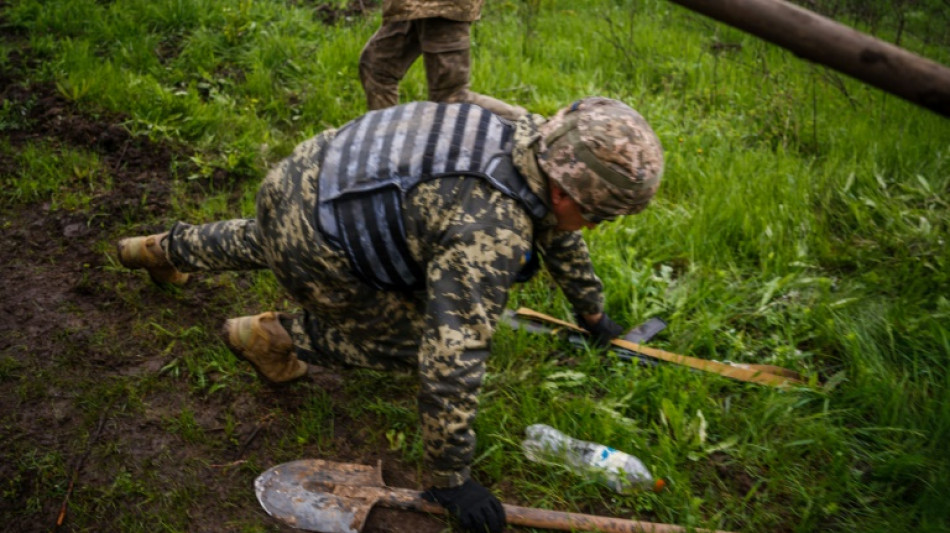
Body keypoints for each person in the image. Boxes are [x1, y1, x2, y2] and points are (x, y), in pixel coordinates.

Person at [115, 97, 663, 533]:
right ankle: (271, 337)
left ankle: (150, 250)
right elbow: (451, 356)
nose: (592, 227)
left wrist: (593, 316)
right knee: (406, 343)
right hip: (322, 237)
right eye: (596, 215)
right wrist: (450, 479)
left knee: (261, 238)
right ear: (567, 188)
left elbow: (558, 232)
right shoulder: (492, 229)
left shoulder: (528, 136)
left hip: (311, 174)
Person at [359, 0, 527, 121]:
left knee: (451, 96)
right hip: (412, 6)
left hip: (441, 7)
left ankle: (529, 127)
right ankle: (387, 145)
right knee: (377, 68)